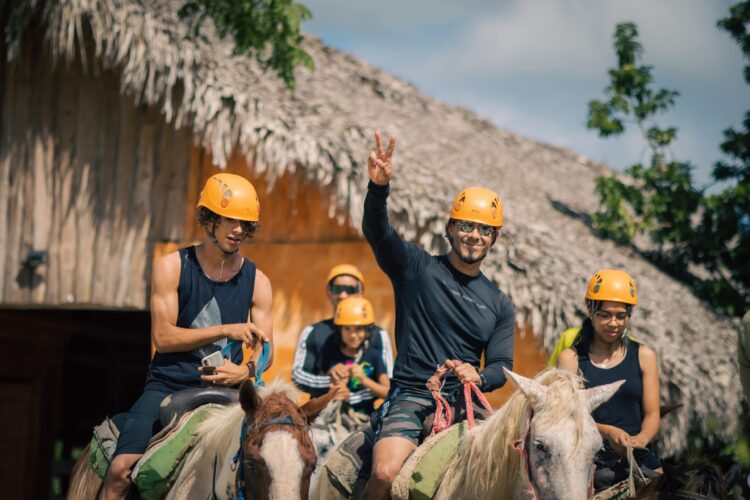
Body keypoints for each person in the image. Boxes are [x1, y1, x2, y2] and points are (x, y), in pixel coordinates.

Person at [361, 132, 515, 499]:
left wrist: (477, 373)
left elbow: (501, 366)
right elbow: (377, 233)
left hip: (468, 404)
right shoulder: (417, 268)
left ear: (494, 238)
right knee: (384, 472)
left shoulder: (500, 304)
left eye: (484, 230)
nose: (474, 235)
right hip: (412, 395)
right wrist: (378, 188)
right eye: (466, 225)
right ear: (450, 228)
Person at [100, 173, 273, 499]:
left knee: (276, 459)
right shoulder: (171, 266)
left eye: (245, 224)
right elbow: (163, 338)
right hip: (168, 386)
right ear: (209, 219)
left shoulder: (259, 281)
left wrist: (247, 372)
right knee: (121, 471)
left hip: (232, 395)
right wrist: (225, 329)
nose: (238, 230)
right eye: (230, 220)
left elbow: (268, 349)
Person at [557, 269, 661, 489]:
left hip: (638, 459)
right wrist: (606, 432)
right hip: (590, 463)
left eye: (621, 316)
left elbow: (652, 414)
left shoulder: (644, 356)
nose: (613, 323)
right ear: (590, 310)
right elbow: (565, 418)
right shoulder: (571, 360)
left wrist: (640, 440)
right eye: (605, 315)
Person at [292, 264, 393, 407]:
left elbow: (390, 386)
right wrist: (332, 382)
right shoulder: (313, 332)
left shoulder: (379, 335)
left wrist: (351, 396)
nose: (343, 295)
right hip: (322, 417)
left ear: (361, 291)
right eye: (338, 289)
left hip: (365, 419)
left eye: (350, 290)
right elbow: (298, 378)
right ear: (329, 292)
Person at [320, 296, 390, 414]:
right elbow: (319, 380)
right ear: (339, 330)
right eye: (347, 329)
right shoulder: (330, 351)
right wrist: (331, 376)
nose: (353, 335)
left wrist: (363, 379)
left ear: (367, 330)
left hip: (364, 420)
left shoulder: (374, 356)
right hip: (333, 417)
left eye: (358, 329)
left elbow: (388, 392)